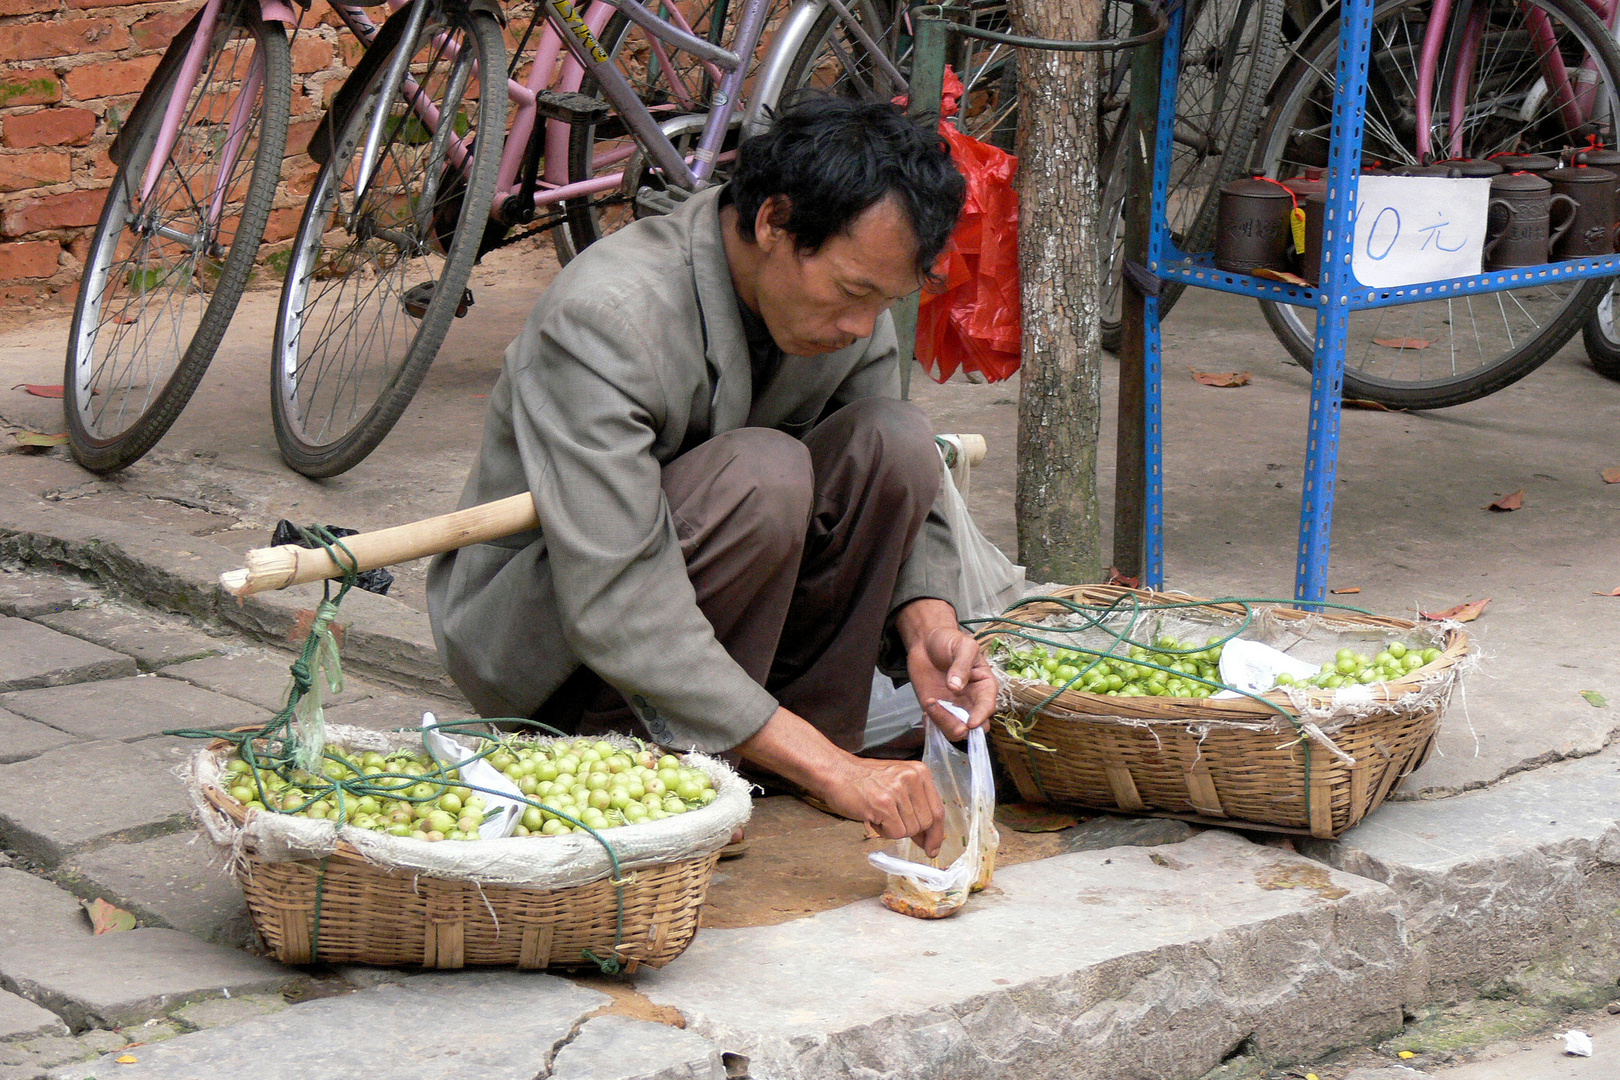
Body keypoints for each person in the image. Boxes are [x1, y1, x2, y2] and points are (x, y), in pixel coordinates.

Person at [427, 94, 994, 856]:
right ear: (774, 223)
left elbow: (898, 479)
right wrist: (833, 769)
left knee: (896, 437)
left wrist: (930, 619)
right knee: (764, 474)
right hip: (560, 645)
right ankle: (663, 767)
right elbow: (618, 596)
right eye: (855, 292)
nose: (864, 326)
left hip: (724, 614)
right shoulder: (610, 317)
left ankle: (801, 754)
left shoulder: (845, 312)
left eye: (885, 301)